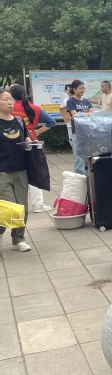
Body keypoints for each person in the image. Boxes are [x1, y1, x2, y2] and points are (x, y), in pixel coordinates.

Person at [9, 85, 56, 213]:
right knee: (34, 172)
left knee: (15, 174)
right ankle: (38, 205)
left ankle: (14, 205)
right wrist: (38, 131)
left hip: (13, 144)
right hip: (32, 143)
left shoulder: (9, 108)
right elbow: (52, 122)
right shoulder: (35, 108)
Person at [0, 89, 32, 252]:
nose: (10, 102)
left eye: (11, 99)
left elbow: (26, 138)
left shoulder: (19, 121)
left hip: (20, 170)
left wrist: (31, 144)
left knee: (22, 208)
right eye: (5, 99)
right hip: (2, 172)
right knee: (8, 207)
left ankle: (18, 239)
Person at [66, 80, 93, 175]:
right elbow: (75, 116)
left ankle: (88, 178)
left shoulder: (86, 101)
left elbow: (92, 112)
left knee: (89, 156)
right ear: (74, 89)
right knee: (78, 158)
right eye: (80, 88)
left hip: (88, 132)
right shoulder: (70, 101)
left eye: (83, 88)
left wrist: (81, 114)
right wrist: (86, 114)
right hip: (77, 133)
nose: (82, 90)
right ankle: (79, 178)